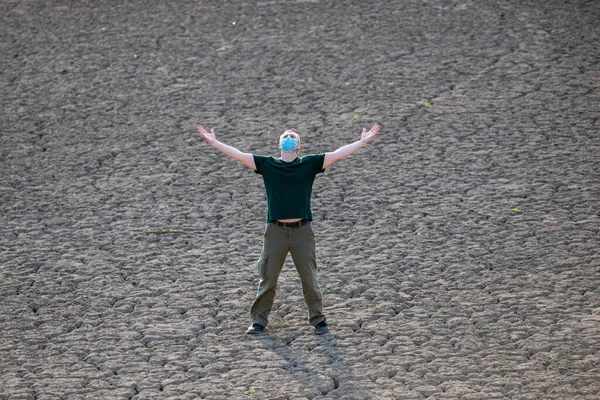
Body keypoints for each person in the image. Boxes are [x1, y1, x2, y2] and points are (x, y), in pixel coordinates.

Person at [197, 123, 380, 335]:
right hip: (275, 231)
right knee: (268, 278)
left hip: (302, 231)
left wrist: (362, 141)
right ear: (280, 144)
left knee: (309, 278)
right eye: (286, 135)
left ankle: (319, 320)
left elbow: (338, 154)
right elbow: (238, 155)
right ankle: (258, 321)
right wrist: (214, 142)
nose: (289, 136)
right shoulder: (267, 164)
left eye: (293, 135)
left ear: (298, 146)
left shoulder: (309, 164)